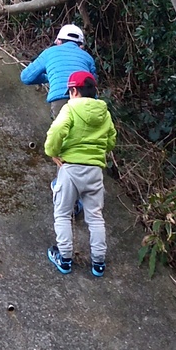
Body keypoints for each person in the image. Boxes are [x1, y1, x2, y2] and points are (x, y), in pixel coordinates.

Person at [44, 70, 117, 277]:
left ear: (74, 91)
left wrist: (52, 152)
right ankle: (98, 263)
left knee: (63, 213)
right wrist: (98, 152)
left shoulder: (70, 108)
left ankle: (65, 258)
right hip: (94, 170)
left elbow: (57, 131)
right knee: (95, 217)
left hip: (70, 169)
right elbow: (111, 140)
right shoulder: (104, 113)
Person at [20, 24, 98, 118]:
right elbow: (93, 81)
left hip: (61, 100)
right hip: (87, 101)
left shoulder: (49, 52)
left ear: (59, 41)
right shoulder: (88, 57)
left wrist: (49, 77)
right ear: (81, 46)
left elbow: (26, 77)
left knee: (61, 130)